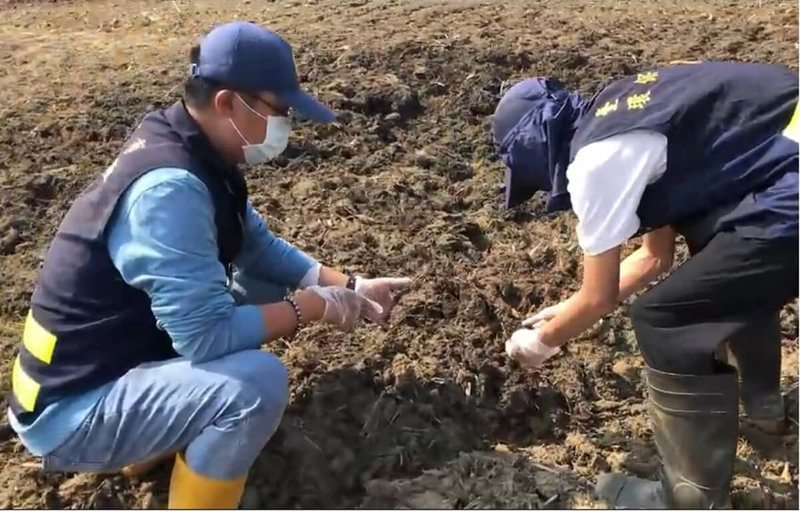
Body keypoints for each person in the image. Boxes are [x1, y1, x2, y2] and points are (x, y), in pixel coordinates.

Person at [7, 21, 410, 509]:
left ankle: (160, 431)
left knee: (260, 281)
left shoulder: (193, 148)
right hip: (73, 412)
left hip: (116, 365)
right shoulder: (169, 189)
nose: (286, 125)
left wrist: (351, 285)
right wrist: (309, 308)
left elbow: (256, 249)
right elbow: (206, 338)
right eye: (278, 111)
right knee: (255, 386)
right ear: (227, 104)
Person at [492, 61, 798, 508]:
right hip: (784, 165)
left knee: (665, 319)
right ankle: (765, 413)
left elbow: (597, 298)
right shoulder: (628, 112)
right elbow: (654, 258)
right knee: (718, 261)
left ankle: (687, 499)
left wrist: (540, 342)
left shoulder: (595, 162)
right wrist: (565, 309)